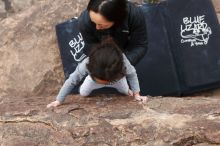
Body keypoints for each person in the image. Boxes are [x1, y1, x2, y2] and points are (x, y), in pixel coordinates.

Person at [47, 39, 148, 108]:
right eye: (103, 81)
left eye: (106, 81)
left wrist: (136, 94)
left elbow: (132, 74)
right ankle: (97, 81)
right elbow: (72, 80)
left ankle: (124, 87)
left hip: (117, 79)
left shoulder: (123, 62)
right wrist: (59, 100)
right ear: (90, 68)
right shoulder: (86, 63)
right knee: (83, 93)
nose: (105, 83)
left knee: (125, 91)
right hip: (93, 80)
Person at [78, 0, 148, 66]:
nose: (97, 27)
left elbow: (140, 45)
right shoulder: (84, 22)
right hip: (102, 48)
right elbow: (90, 45)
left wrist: (123, 65)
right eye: (93, 22)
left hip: (125, 46)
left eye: (101, 24)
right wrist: (101, 61)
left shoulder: (134, 15)